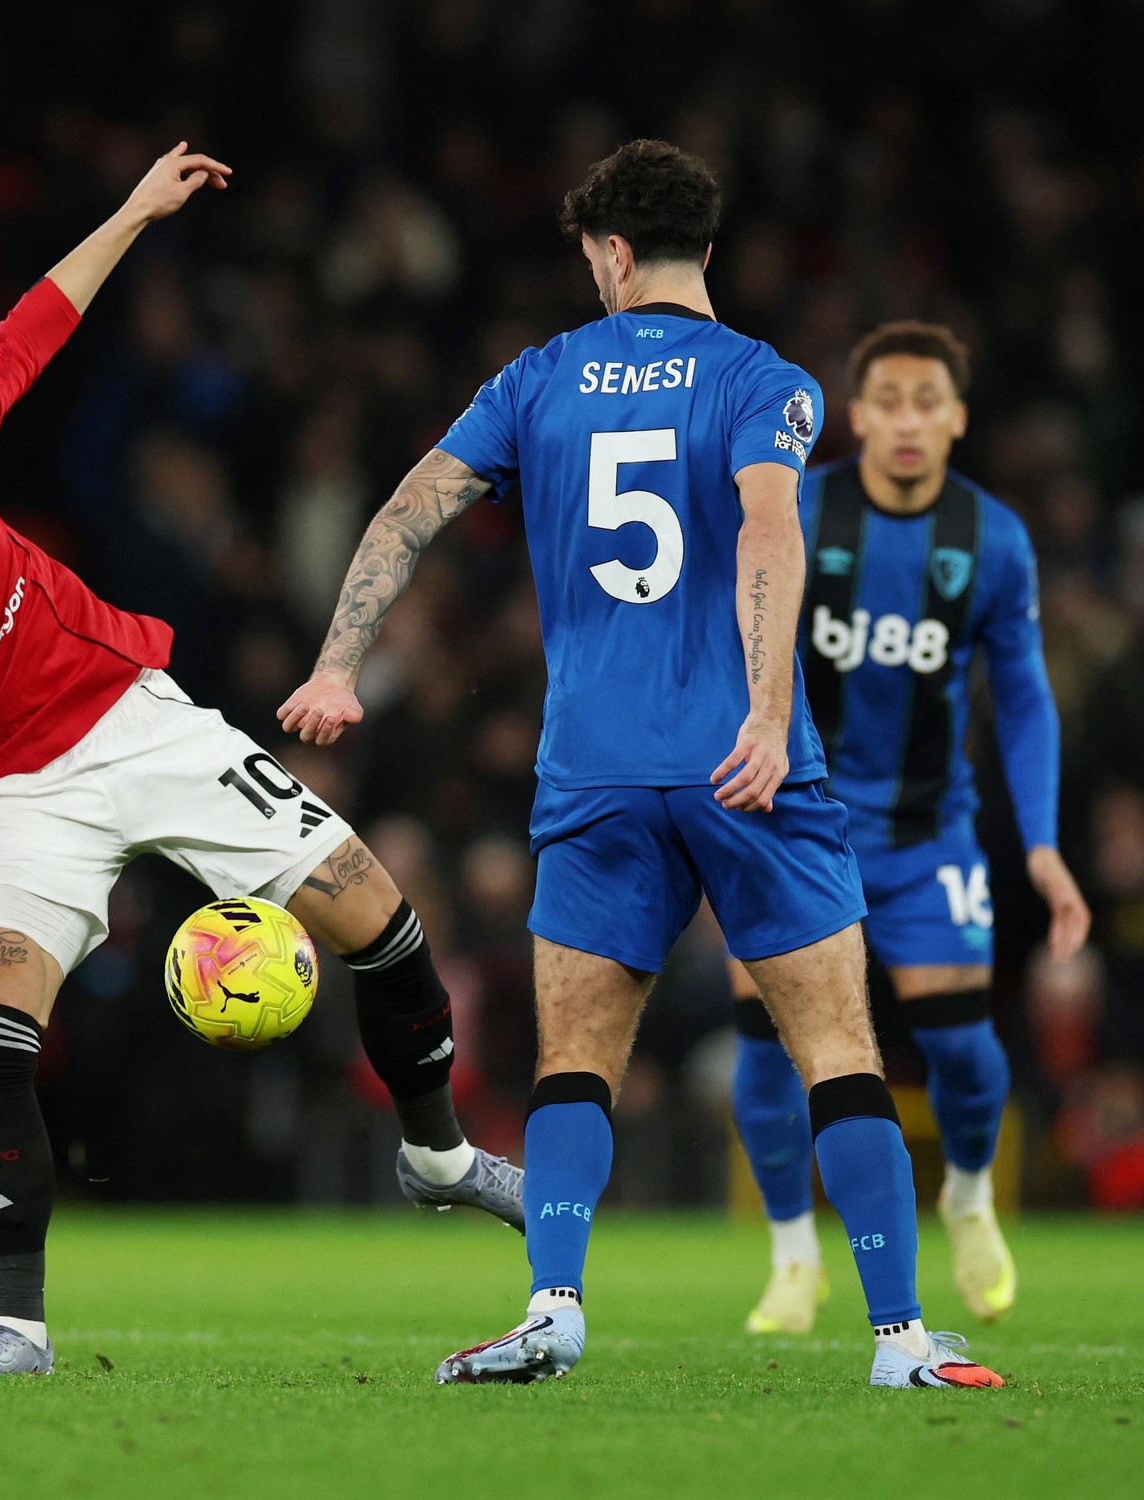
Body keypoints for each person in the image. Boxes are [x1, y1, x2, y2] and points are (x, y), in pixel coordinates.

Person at [0, 143, 520, 1379]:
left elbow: (29, 330)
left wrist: (134, 211)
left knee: (384, 927)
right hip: (15, 799)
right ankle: (16, 1326)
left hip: (141, 722)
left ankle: (437, 1155)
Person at [283, 139, 1002, 1389]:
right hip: (742, 764)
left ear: (608, 252)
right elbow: (770, 523)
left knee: (575, 1062)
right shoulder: (763, 383)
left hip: (595, 771)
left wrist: (337, 665)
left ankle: (551, 1309)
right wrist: (769, 716)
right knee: (837, 1047)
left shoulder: (536, 378)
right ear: (701, 253)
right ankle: (895, 1341)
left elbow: (409, 509)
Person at [727, 321, 1091, 1334]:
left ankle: (968, 1197)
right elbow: (740, 643)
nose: (904, 420)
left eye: (925, 401)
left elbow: (1020, 699)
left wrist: (1043, 846)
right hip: (798, 824)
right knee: (762, 1043)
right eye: (885, 399)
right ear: (856, 413)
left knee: (964, 1052)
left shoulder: (992, 541)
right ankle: (792, 1256)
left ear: (956, 419)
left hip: (930, 835)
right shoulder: (802, 505)